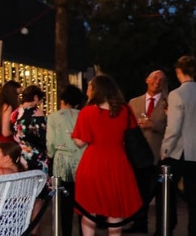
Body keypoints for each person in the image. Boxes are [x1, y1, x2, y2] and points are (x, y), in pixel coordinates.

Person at [72, 74, 142, 236]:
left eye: (89, 88)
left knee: (89, 210)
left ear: (96, 90)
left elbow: (80, 142)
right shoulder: (125, 110)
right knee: (115, 210)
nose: (87, 91)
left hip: (92, 164)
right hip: (118, 162)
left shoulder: (87, 112)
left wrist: (74, 135)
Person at [160, 56, 196, 236]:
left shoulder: (177, 94)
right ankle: (194, 233)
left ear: (179, 72)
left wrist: (165, 149)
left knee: (167, 193)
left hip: (181, 152)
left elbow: (174, 128)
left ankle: (166, 228)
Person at [125, 70, 168, 234]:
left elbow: (173, 128)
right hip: (137, 155)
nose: (158, 81)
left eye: (162, 79)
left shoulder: (168, 102)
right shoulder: (134, 102)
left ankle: (162, 227)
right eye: (155, 77)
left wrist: (154, 126)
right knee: (138, 192)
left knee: (159, 194)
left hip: (158, 155)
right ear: (147, 80)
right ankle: (139, 223)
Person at [46, 84, 86, 236]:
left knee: (64, 203)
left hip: (61, 162)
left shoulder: (53, 117)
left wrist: (50, 155)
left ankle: (65, 232)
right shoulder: (83, 114)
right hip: (82, 160)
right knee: (82, 201)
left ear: (62, 100)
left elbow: (50, 142)